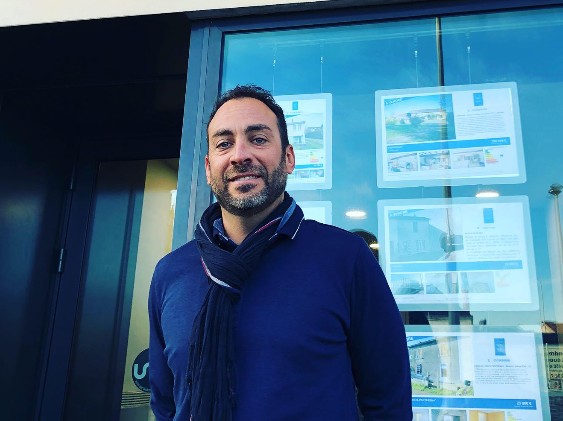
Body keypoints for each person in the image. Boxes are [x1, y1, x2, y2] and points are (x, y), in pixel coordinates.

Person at [148, 84, 411, 421]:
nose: (240, 155)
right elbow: (166, 403)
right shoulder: (171, 272)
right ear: (209, 168)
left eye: (258, 139)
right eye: (224, 144)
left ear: (288, 158)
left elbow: (388, 400)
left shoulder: (345, 257)